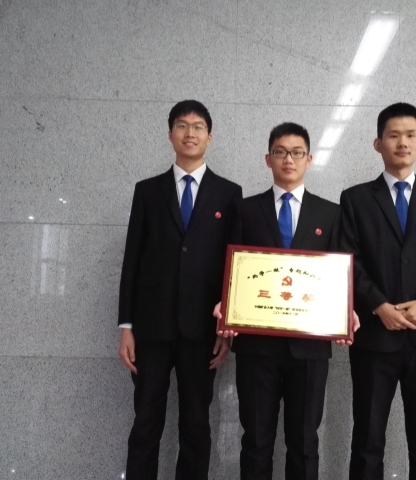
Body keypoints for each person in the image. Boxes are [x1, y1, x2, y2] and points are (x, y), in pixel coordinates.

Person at [216, 122, 357, 480]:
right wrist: (225, 302)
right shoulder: (245, 210)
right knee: (256, 441)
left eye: (297, 153)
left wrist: (345, 312)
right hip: (256, 348)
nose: (288, 159)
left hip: (309, 350)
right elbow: (231, 269)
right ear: (268, 159)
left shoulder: (330, 213)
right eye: (280, 152)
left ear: (309, 159)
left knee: (305, 442)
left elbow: (339, 274)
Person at [117, 100, 242, 480]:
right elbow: (132, 261)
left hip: (202, 329)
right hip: (151, 328)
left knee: (196, 424)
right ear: (170, 134)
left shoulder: (229, 193)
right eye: (182, 126)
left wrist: (226, 329)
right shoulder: (147, 191)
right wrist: (126, 326)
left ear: (209, 137)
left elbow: (234, 267)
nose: (190, 133)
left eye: (198, 126)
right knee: (146, 421)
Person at [340, 103, 416, 480]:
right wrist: (378, 304)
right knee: (367, 440)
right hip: (374, 336)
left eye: (410, 135)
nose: (402, 143)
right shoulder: (355, 199)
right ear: (378, 143)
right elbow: (348, 260)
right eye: (393, 135)